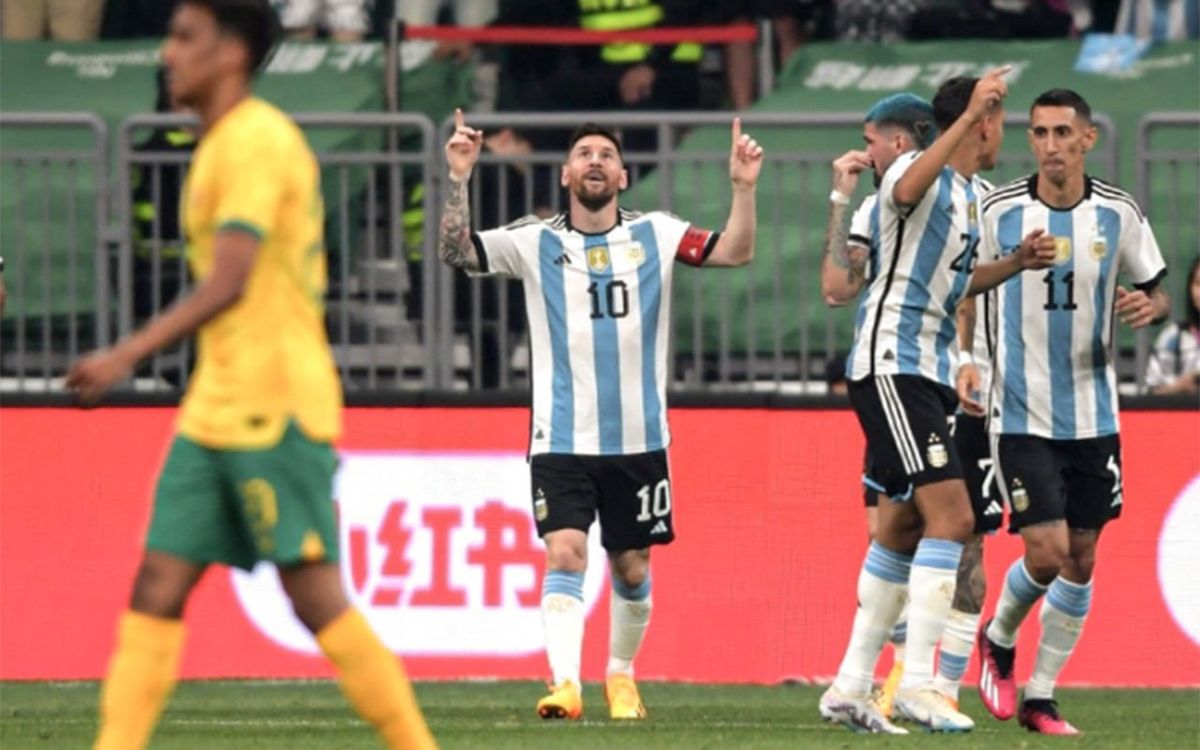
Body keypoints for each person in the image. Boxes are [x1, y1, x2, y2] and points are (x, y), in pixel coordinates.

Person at [64, 2, 437, 748]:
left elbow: (228, 279)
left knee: (315, 599)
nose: (167, 53)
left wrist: (125, 354)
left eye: (184, 37)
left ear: (232, 53)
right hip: (215, 404)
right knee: (156, 586)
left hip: (274, 400)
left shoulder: (258, 143)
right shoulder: (216, 145)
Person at [438, 108, 762, 720]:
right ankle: (566, 684)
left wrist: (743, 189)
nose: (594, 161)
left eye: (606, 155)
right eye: (584, 153)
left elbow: (737, 252)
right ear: (565, 174)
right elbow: (456, 251)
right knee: (565, 552)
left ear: (623, 175)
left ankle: (620, 675)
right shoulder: (535, 242)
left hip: (639, 439)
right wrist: (459, 176)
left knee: (632, 566)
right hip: (559, 438)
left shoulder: (658, 234)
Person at [816, 69, 1059, 734]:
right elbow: (843, 276)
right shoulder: (906, 182)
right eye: (997, 115)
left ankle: (848, 686)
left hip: (927, 373)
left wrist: (1014, 263)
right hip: (891, 365)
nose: (1001, 126)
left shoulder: (970, 198)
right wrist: (961, 117)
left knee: (899, 529)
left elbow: (956, 281)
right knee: (954, 520)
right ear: (975, 121)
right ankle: (920, 683)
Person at [975, 88, 1170, 735]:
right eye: (1039, 133)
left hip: (1095, 414)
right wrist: (967, 360)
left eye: (1063, 133)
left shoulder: (1118, 212)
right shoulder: (1000, 210)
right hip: (1021, 412)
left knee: (1082, 558)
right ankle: (999, 637)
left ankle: (1042, 696)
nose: (1051, 146)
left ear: (1088, 139)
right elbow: (960, 286)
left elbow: (1156, 289)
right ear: (1029, 140)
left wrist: (1152, 307)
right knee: (1048, 550)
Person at [1145, 254, 1200, 395]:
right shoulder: (1173, 336)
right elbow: (1152, 393)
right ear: (1190, 289)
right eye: (1199, 284)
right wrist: (1181, 386)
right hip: (1181, 414)